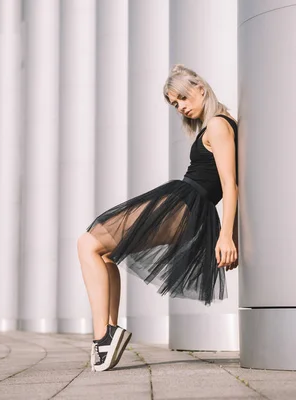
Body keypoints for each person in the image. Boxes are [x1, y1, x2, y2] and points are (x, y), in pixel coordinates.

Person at [77, 64, 239, 372]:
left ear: (201, 89)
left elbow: (230, 183)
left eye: (182, 98)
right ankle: (108, 333)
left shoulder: (218, 125)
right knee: (103, 252)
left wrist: (227, 235)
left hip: (185, 204)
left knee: (88, 243)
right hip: (185, 203)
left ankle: (103, 339)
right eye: (175, 104)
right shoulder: (216, 124)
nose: (181, 107)